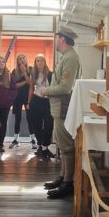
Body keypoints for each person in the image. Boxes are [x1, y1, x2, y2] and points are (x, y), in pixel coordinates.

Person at [44, 26, 82, 199]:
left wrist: (45, 91)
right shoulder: (66, 56)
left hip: (63, 107)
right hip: (58, 107)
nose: (55, 41)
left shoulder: (71, 57)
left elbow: (66, 87)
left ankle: (68, 182)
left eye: (56, 38)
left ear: (62, 39)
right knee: (62, 144)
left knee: (66, 147)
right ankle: (62, 177)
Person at [28, 53, 54, 158]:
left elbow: (54, 89)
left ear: (45, 62)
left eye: (41, 60)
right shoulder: (33, 74)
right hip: (36, 101)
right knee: (36, 124)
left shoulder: (50, 74)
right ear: (35, 62)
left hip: (48, 102)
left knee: (49, 124)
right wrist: (28, 102)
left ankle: (45, 146)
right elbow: (31, 88)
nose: (39, 62)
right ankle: (41, 146)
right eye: (37, 60)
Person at [8, 53, 31, 149]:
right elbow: (15, 86)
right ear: (17, 61)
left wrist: (25, 73)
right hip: (17, 97)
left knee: (30, 117)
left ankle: (33, 139)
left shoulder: (31, 69)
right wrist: (25, 81)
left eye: (23, 58)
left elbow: (31, 83)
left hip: (28, 97)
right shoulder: (14, 71)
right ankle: (15, 139)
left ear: (26, 59)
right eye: (20, 58)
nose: (22, 60)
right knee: (18, 118)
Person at [0, 55, 16, 153]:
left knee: (3, 124)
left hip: (5, 104)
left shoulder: (9, 75)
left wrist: (9, 100)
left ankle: (1, 144)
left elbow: (14, 89)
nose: (2, 64)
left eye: (3, 62)